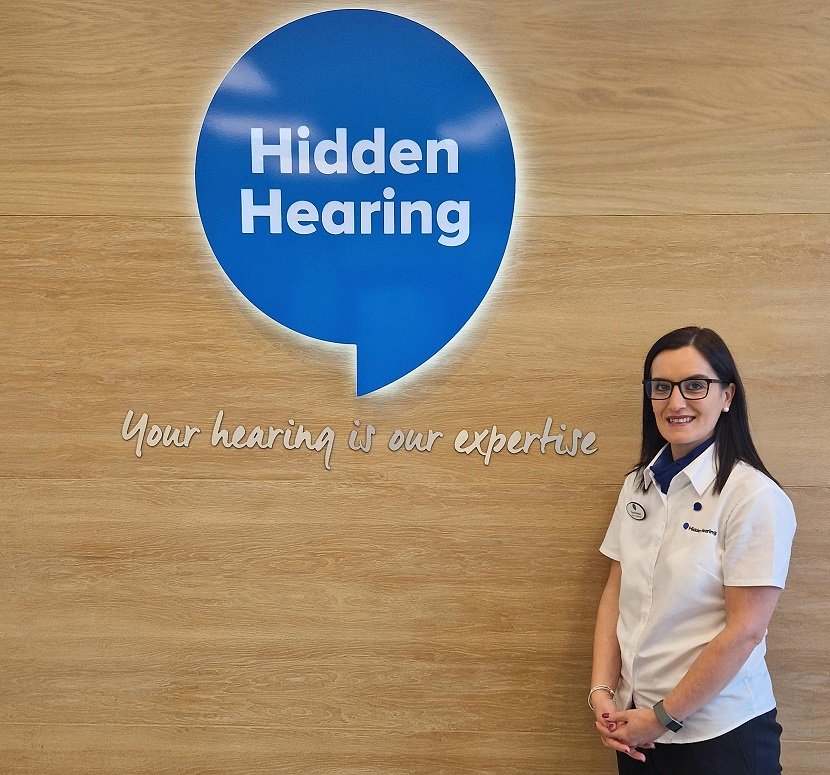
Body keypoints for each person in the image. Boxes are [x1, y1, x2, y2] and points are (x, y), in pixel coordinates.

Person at [589, 327, 796, 774]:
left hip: (719, 735)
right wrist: (602, 692)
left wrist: (664, 716)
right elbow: (616, 594)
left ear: (727, 396)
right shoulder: (638, 485)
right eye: (661, 387)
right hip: (637, 728)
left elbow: (745, 631)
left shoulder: (753, 496)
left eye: (695, 385)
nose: (675, 402)